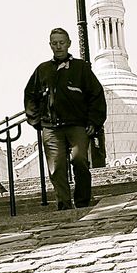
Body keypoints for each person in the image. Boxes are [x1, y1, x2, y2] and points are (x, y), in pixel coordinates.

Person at [24, 27, 106, 211]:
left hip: (77, 125)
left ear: (69, 44)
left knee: (79, 160)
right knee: (57, 167)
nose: (58, 46)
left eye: (62, 42)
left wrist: (94, 121)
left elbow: (96, 95)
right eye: (55, 43)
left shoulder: (81, 68)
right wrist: (36, 120)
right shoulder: (42, 70)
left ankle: (83, 202)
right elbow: (30, 95)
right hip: (51, 127)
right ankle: (64, 205)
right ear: (50, 45)